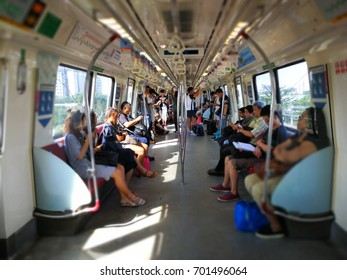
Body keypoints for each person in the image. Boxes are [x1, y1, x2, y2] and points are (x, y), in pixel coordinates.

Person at [244, 107, 330, 238]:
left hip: (300, 180)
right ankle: (270, 213)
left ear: (311, 122)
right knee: (249, 180)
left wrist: (280, 153)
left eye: (302, 117)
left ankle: (276, 227)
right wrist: (279, 153)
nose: (299, 120)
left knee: (258, 189)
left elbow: (284, 156)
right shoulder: (300, 136)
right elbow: (279, 150)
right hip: (289, 172)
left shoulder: (312, 142)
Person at [64, 109, 145, 207]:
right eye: (83, 121)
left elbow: (88, 152)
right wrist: (88, 141)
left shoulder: (79, 134)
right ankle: (130, 196)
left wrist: (92, 143)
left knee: (120, 167)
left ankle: (124, 198)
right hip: (83, 168)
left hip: (90, 162)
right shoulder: (70, 137)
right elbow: (80, 157)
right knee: (117, 172)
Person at [210, 105, 288, 202]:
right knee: (227, 158)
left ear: (275, 117)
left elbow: (270, 150)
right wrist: (259, 145)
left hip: (264, 159)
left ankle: (234, 193)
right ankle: (225, 185)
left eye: (267, 121)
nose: (267, 123)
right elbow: (262, 142)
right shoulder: (271, 128)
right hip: (257, 152)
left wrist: (259, 144)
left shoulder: (280, 132)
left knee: (232, 162)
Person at [207, 100, 267, 176]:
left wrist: (241, 130)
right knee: (224, 147)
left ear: (260, 110)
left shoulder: (262, 121)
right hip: (250, 142)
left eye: (255, 110)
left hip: (252, 144)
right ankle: (220, 169)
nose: (253, 112)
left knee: (227, 149)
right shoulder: (256, 119)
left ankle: (220, 169)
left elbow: (252, 134)